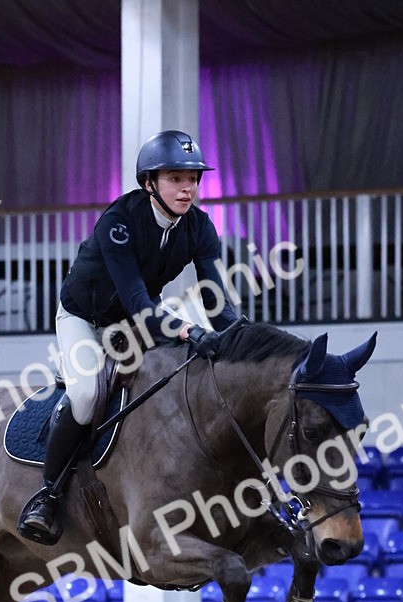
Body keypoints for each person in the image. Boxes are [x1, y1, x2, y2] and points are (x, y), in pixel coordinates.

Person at [18, 129, 239, 543]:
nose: (188, 188)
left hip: (134, 322)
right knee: (85, 395)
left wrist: (244, 340)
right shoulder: (119, 222)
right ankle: (47, 495)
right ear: (150, 182)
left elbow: (217, 302)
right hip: (84, 318)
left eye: (193, 178)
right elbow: (139, 303)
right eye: (176, 178)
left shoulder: (200, 227)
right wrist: (190, 330)